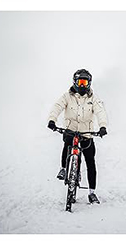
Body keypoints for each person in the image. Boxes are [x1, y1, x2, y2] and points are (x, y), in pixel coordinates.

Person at [47, 69, 108, 204]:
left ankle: (92, 193)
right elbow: (57, 107)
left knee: (90, 162)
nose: (82, 85)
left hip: (86, 133)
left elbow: (100, 112)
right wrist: (52, 120)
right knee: (67, 145)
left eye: (84, 82)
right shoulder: (67, 96)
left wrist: (103, 126)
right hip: (71, 130)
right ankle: (63, 169)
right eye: (80, 82)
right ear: (74, 82)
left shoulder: (93, 98)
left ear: (89, 83)